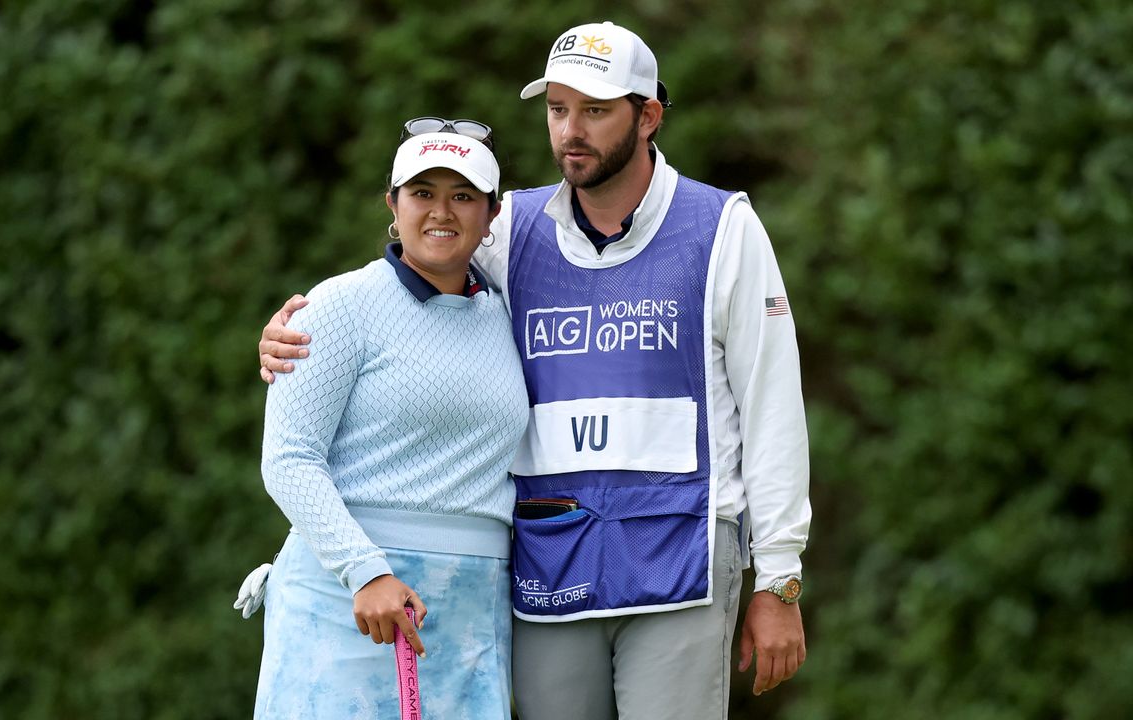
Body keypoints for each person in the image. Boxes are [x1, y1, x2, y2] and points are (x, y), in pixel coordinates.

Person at [254, 21, 811, 720]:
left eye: (595, 111)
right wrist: (297, 333)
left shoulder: (722, 226)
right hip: (551, 558)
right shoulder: (511, 229)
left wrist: (781, 579)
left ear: (648, 116)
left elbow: (772, 407)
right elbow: (416, 263)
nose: (570, 130)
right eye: (556, 110)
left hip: (683, 554)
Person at [246, 119, 528, 719]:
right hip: (349, 601)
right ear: (392, 205)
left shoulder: (509, 312)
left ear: (491, 214)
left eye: (463, 196)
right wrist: (365, 571)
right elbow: (289, 459)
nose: (441, 212)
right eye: (422, 193)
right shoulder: (339, 305)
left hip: (473, 613)